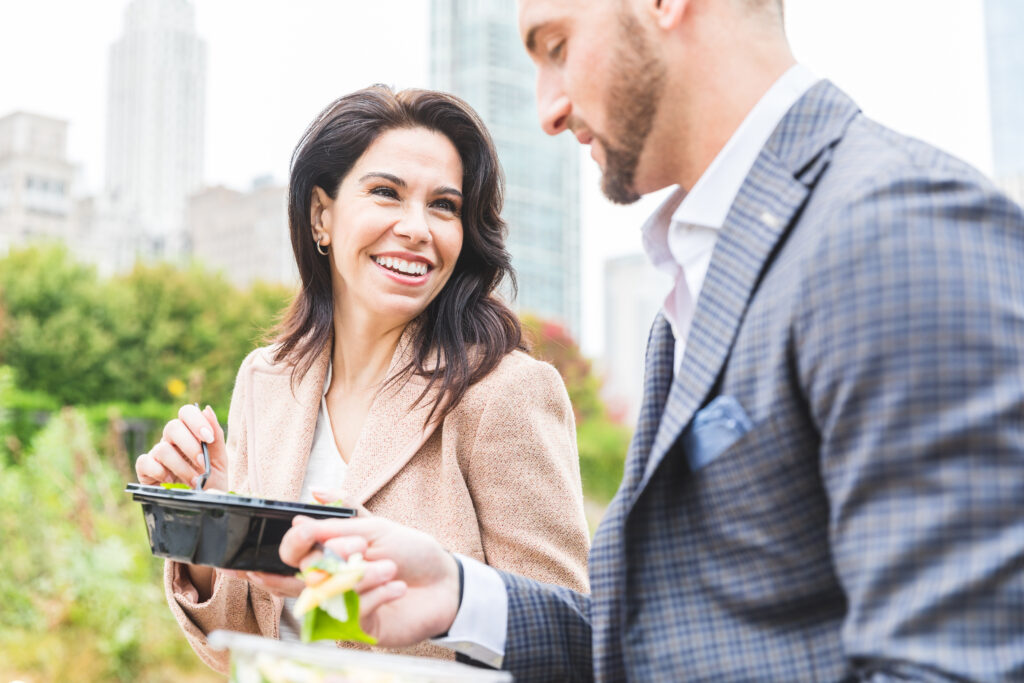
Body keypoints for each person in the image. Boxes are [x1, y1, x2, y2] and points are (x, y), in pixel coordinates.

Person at [279, 0, 1024, 680]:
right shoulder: (695, 284)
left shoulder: (901, 230)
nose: (548, 107)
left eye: (557, 45)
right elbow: (671, 641)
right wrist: (460, 593)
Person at [134, 85, 590, 674]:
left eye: (444, 206)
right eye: (386, 194)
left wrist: (383, 588)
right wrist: (211, 526)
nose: (416, 228)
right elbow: (247, 635)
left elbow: (564, 639)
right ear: (322, 215)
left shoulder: (504, 392)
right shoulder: (266, 381)